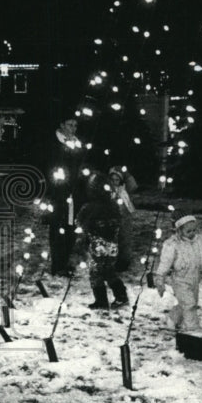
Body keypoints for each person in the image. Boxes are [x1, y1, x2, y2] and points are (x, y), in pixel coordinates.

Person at [155, 215, 202, 331]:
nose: (192, 233)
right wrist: (160, 277)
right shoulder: (173, 244)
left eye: (194, 230)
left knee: (188, 302)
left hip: (195, 278)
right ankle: (192, 328)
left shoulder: (199, 242)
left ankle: (173, 319)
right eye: (188, 231)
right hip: (180, 280)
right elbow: (165, 262)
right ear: (179, 231)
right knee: (189, 304)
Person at [74, 172, 129, 309]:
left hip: (97, 245)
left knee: (96, 273)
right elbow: (118, 223)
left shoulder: (89, 207)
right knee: (109, 271)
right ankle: (121, 295)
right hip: (112, 246)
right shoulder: (113, 206)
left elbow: (79, 222)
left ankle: (101, 301)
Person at [46, 119, 88, 276]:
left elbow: (81, 166)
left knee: (71, 229)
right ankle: (57, 265)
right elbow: (51, 168)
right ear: (62, 125)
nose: (74, 128)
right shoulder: (55, 144)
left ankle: (65, 262)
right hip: (59, 194)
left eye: (76, 125)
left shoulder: (78, 145)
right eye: (70, 125)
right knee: (58, 229)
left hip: (75, 194)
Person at [108, 165, 136, 273]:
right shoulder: (108, 191)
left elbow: (133, 185)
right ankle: (110, 262)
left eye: (117, 179)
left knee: (124, 240)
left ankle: (123, 262)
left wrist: (126, 173)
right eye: (112, 179)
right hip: (111, 218)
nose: (115, 182)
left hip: (124, 219)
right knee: (112, 241)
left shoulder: (124, 190)